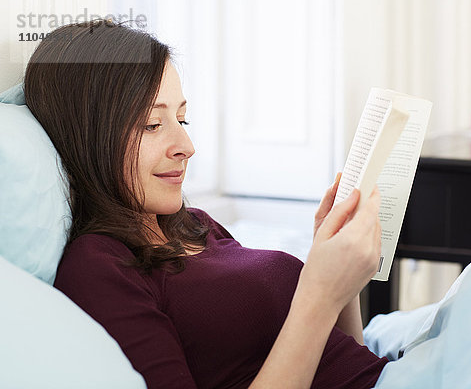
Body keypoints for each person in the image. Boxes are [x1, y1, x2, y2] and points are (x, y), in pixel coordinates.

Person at [25, 20, 388, 388]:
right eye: (152, 124)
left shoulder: (195, 224)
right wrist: (319, 296)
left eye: (182, 118)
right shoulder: (98, 267)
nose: (186, 145)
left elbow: (348, 361)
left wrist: (340, 282)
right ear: (89, 137)